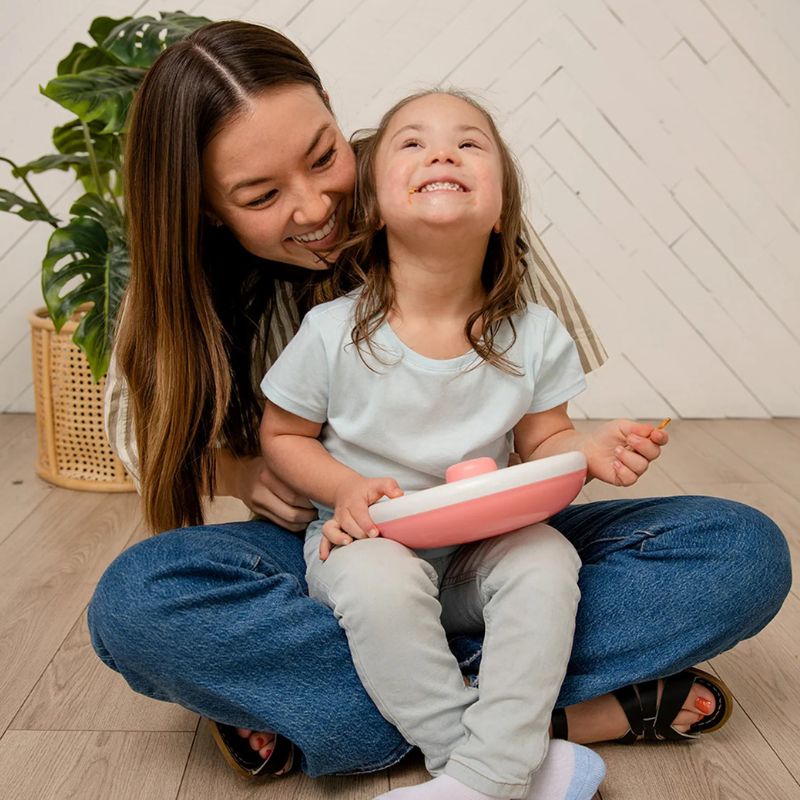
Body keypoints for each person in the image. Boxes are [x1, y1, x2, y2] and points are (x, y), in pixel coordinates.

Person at [88, 19, 791, 783]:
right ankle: (530, 724)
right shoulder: (198, 289)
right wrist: (246, 474)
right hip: (340, 543)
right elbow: (137, 432)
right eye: (261, 195)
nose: (318, 205)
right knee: (136, 602)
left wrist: (583, 452)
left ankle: (357, 719)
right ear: (206, 210)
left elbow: (542, 428)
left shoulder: (436, 186)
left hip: (492, 541)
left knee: (741, 549)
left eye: (325, 156)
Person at [259, 88, 630, 800]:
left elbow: (545, 437)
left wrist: (585, 448)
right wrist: (341, 489)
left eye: (469, 144)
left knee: (550, 556)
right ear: (371, 207)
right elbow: (281, 435)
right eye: (413, 143)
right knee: (377, 582)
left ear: (499, 212)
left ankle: (473, 768)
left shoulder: (534, 331)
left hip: (479, 549)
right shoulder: (332, 333)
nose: (442, 152)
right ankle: (496, 770)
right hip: (369, 542)